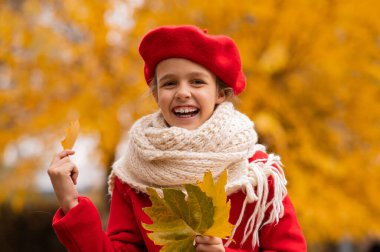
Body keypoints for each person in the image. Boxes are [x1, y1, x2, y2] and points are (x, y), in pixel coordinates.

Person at [48, 25, 307, 252]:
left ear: (220, 94)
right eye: (170, 84)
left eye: (197, 82)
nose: (183, 93)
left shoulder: (256, 173)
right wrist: (71, 203)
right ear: (156, 94)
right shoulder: (135, 175)